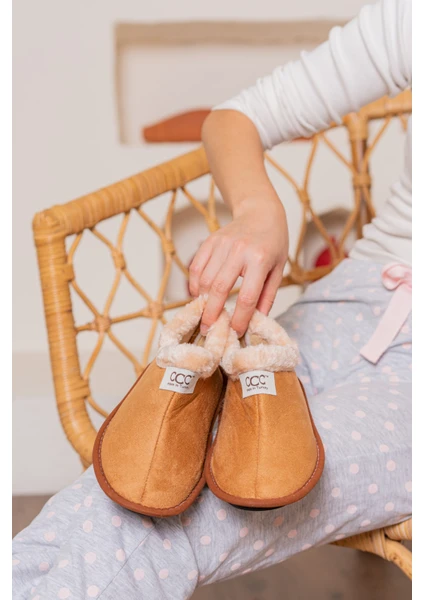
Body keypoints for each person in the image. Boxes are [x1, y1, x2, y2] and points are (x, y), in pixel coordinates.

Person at [13, 1, 411, 598]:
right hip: (358, 296)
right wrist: (258, 210)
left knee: (194, 515)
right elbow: (236, 118)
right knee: (135, 476)